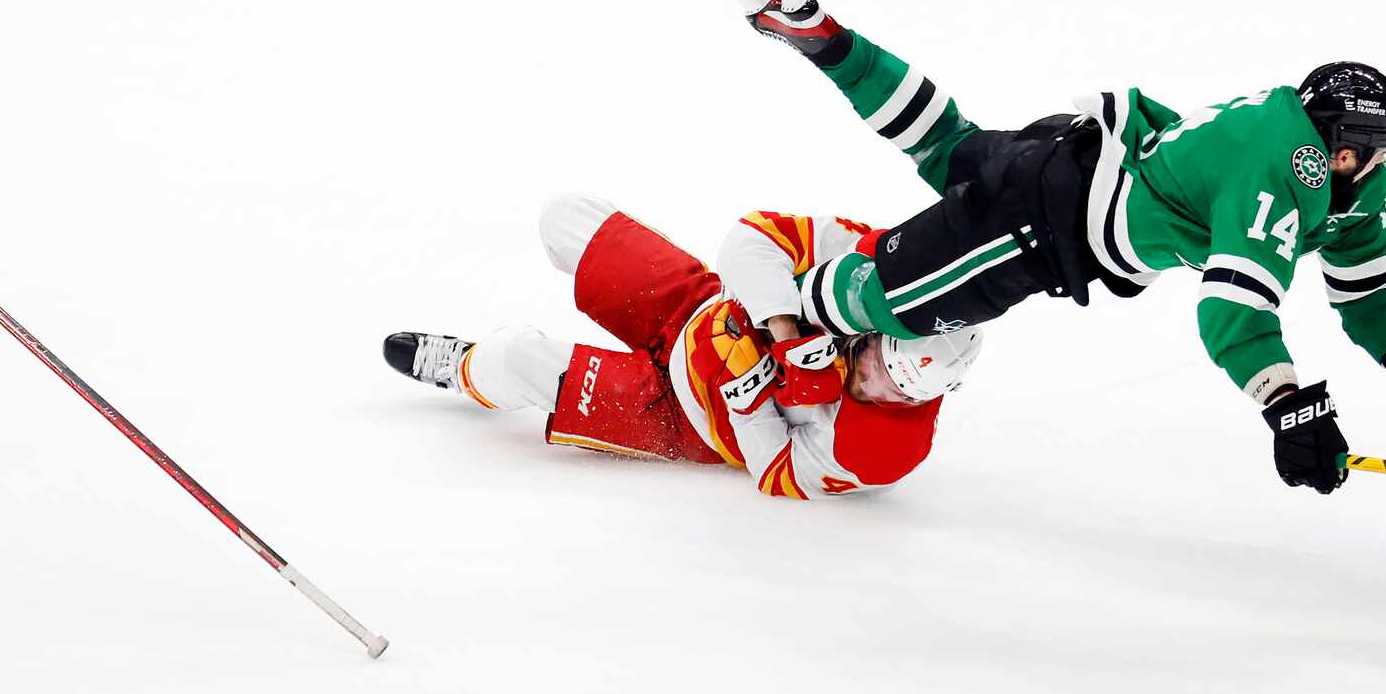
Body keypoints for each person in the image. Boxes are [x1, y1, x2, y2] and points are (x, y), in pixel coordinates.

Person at [730, 0, 1386, 495]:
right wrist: (1288, 405)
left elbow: (1369, 287)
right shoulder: (1283, 166)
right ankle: (745, 330)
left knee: (941, 139)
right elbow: (1233, 311)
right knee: (882, 308)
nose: (1381, 165)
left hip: (1064, 169)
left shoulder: (1323, 166)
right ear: (1341, 146)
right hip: (1037, 226)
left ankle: (829, 40)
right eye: (1375, 148)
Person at [383, 194, 983, 498]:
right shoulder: (870, 261)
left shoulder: (884, 450)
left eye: (889, 391)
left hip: (682, 414)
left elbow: (775, 473)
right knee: (568, 216)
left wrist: (750, 400)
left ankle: (465, 368)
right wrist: (781, 329)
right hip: (697, 308)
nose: (867, 383)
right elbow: (754, 238)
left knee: (512, 359)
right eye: (874, 362)